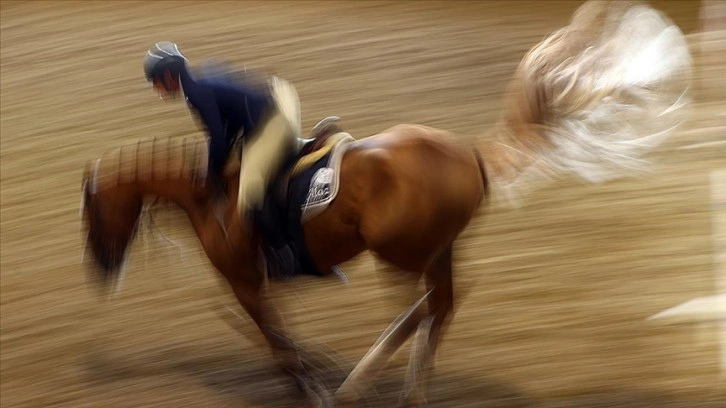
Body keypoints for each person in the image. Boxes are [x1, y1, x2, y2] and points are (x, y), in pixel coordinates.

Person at [142, 41, 301, 229]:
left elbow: (218, 138)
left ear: (168, 76)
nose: (156, 88)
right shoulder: (199, 82)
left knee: (250, 188)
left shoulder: (195, 94)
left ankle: (286, 252)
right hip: (278, 100)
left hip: (274, 119)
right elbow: (228, 127)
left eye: (156, 82)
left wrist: (212, 172)